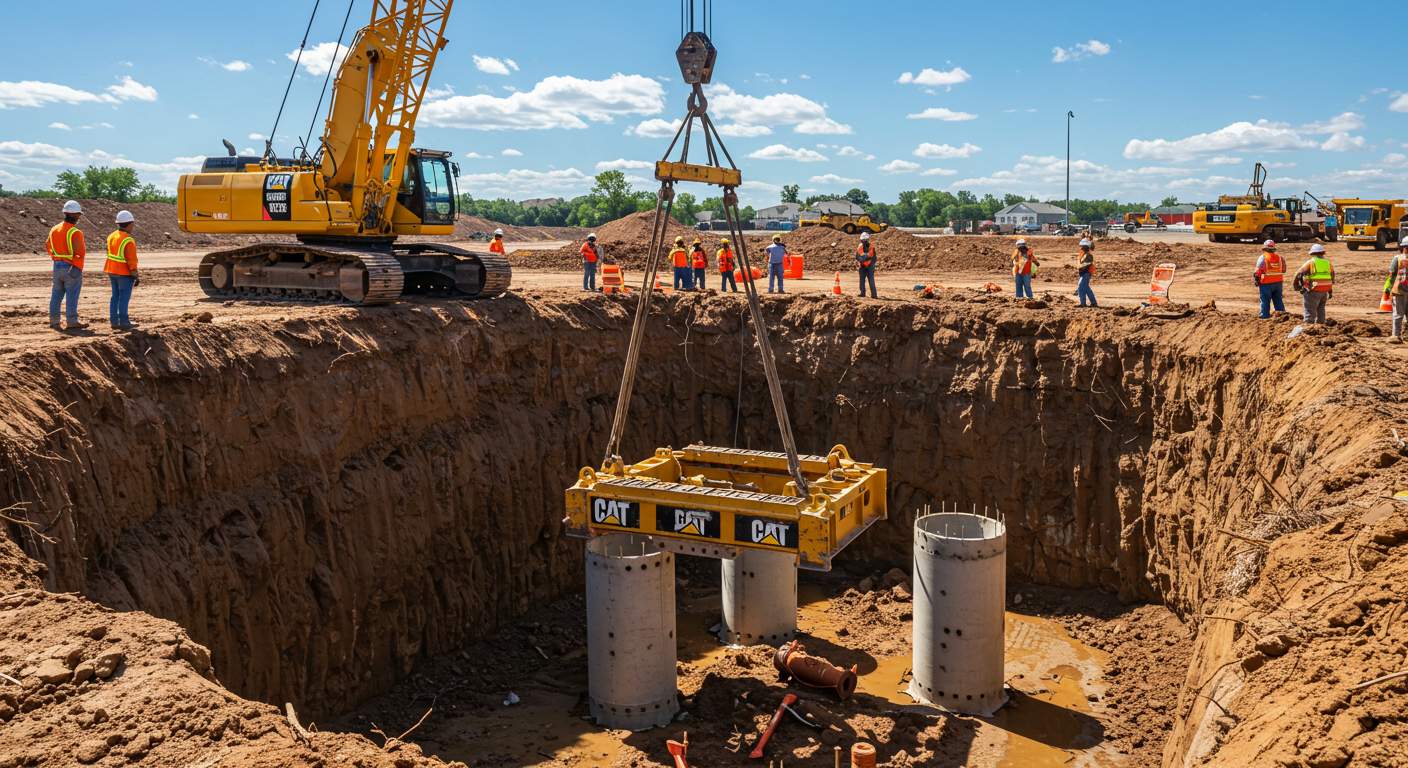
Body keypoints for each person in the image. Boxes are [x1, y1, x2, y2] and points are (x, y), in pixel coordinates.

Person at [47, 200, 87, 331]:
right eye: (78, 214)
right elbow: (80, 253)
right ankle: (72, 321)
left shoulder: (54, 229)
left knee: (56, 295)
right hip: (71, 267)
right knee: (72, 295)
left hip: (57, 265)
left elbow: (48, 245)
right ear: (75, 215)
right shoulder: (75, 232)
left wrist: (55, 257)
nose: (79, 217)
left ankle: (54, 321)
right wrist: (77, 268)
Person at [104, 210, 140, 330]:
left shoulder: (111, 236)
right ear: (129, 224)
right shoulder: (128, 240)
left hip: (111, 271)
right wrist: (135, 274)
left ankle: (114, 321)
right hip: (124, 273)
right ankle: (124, 322)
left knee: (115, 297)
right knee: (124, 298)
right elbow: (132, 260)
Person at [1293, 243, 1334, 325]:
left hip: (1313, 289)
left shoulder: (1311, 262)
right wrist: (1330, 291)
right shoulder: (1328, 263)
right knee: (1321, 309)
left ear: (1312, 253)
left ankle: (1308, 326)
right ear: (1323, 253)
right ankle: (1321, 326)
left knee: (1309, 310)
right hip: (1325, 290)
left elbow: (1298, 274)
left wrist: (1296, 285)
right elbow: (1331, 277)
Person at [1252, 239, 1286, 318]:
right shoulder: (1280, 258)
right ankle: (1282, 316)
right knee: (1278, 300)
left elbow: (1257, 271)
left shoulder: (1263, 257)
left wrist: (1257, 280)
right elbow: (1284, 270)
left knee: (1265, 300)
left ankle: (1264, 316)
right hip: (1278, 283)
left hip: (1266, 283)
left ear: (1264, 248)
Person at [1386, 238, 1408, 343]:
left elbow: (1391, 275)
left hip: (1400, 289)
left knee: (1398, 313)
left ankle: (1396, 335)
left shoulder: (1398, 258)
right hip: (1401, 289)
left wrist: (1388, 288)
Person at [855, 232, 878, 298]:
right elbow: (857, 257)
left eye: (865, 240)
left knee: (871, 280)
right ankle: (862, 293)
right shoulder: (860, 247)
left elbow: (873, 257)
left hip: (870, 266)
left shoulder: (871, 247)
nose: (864, 241)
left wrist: (864, 259)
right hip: (862, 266)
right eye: (863, 240)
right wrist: (863, 259)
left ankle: (874, 295)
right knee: (862, 280)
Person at [1076, 238, 1097, 307]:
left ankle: (1083, 303)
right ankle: (1093, 303)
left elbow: (1086, 264)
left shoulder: (1088, 255)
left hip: (1086, 273)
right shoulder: (1084, 254)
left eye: (1082, 246)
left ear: (1086, 247)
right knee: (1086, 288)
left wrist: (1080, 267)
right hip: (1085, 273)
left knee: (1081, 287)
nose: (1081, 248)